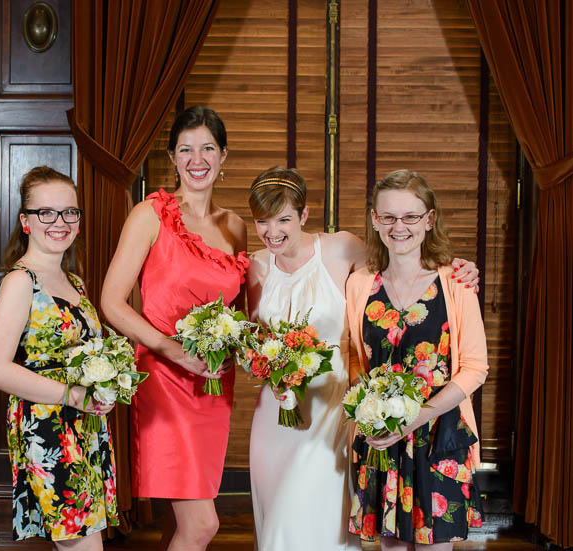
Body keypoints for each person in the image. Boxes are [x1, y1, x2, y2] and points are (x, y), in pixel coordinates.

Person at [245, 167, 479, 550]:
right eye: (262, 221)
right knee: (276, 519)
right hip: (278, 410)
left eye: (284, 218)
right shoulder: (255, 265)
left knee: (314, 515)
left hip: (331, 409)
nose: (273, 230)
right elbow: (255, 340)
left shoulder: (342, 249)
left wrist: (458, 269)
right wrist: (267, 362)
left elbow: (405, 263)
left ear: (303, 215)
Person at [100, 106, 248, 551]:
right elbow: (111, 301)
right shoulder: (151, 214)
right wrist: (172, 349)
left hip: (213, 384)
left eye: (207, 148)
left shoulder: (236, 226)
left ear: (223, 157)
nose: (197, 158)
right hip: (163, 376)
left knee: (181, 519)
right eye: (186, 149)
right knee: (202, 525)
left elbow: (246, 308)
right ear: (172, 157)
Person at [346, 169, 487, 549]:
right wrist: (369, 410)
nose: (399, 227)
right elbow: (356, 357)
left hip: (438, 434)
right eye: (388, 217)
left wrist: (419, 415)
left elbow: (475, 367)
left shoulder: (456, 284)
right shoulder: (360, 284)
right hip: (383, 438)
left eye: (410, 216)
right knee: (390, 546)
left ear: (429, 220)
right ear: (375, 220)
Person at [0, 166, 118, 548]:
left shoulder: (75, 282)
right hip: (49, 429)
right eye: (46, 213)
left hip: (85, 426)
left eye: (69, 212)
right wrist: (72, 395)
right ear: (26, 221)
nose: (59, 222)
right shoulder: (21, 282)